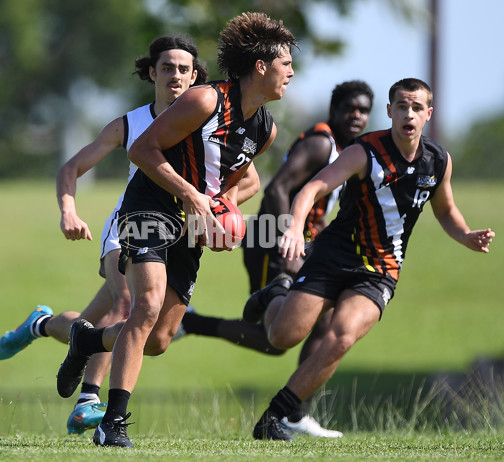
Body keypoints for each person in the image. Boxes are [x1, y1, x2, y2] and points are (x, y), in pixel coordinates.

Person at [55, 12, 297, 448]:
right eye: (285, 63)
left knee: (159, 338)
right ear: (260, 66)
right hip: (149, 205)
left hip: (188, 225)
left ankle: (87, 339)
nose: (292, 72)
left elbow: (237, 182)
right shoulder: (205, 101)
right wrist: (191, 195)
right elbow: (142, 150)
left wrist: (220, 212)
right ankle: (114, 423)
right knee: (144, 306)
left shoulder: (265, 128)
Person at [243, 77, 495, 440]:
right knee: (283, 336)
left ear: (428, 114)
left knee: (341, 336)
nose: (409, 114)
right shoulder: (364, 151)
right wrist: (295, 229)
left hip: (380, 269)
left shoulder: (438, 161)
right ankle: (276, 293)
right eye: (402, 107)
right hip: (332, 257)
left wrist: (465, 234)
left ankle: (276, 416)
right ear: (390, 111)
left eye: (417, 107)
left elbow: (445, 210)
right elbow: (313, 188)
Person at [0, 34, 209, 434]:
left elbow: (248, 177)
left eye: (183, 69)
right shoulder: (130, 123)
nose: (175, 75)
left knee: (112, 332)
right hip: (130, 223)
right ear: (151, 74)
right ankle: (90, 400)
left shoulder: (207, 125)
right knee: (128, 302)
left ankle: (41, 325)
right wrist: (68, 211)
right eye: (166, 68)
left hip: (177, 235)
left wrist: (220, 204)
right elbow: (70, 169)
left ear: (195, 76)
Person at [179, 80, 374, 438]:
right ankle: (193, 324)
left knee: (321, 320)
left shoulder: (347, 151)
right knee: (275, 337)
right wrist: (288, 238)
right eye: (350, 108)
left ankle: (296, 413)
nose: (357, 116)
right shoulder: (321, 144)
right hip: (272, 239)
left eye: (363, 110)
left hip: (297, 241)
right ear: (334, 110)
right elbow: (277, 188)